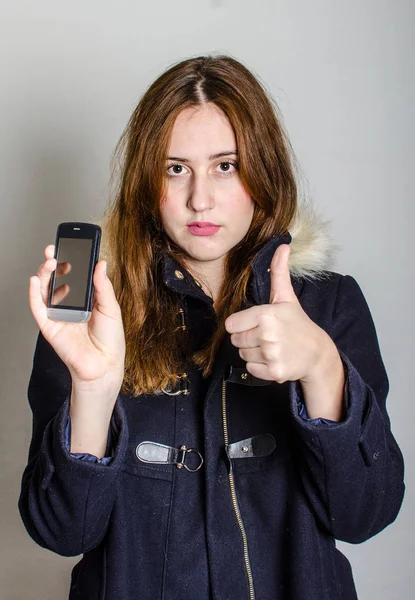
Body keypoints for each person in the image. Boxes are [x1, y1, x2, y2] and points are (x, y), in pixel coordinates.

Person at [19, 55, 405, 600]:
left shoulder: (330, 300)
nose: (200, 198)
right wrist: (92, 391)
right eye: (175, 169)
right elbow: (63, 532)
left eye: (226, 165)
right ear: (145, 181)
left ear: (263, 171)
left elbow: (365, 515)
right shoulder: (89, 311)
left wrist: (322, 367)